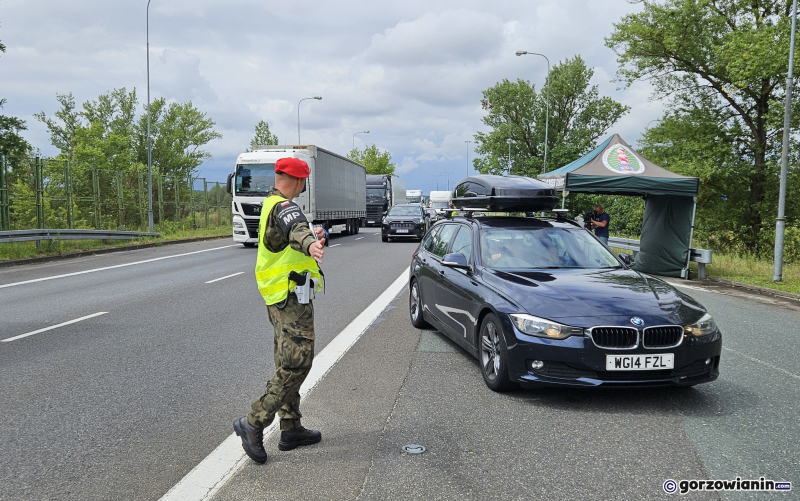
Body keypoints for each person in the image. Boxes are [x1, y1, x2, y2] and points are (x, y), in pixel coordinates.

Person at [233, 157, 326, 465]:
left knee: (287, 359)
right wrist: (310, 242)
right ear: (300, 182)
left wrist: (311, 242)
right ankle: (254, 421)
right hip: (290, 299)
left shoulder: (269, 204)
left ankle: (291, 427)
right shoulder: (286, 206)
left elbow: (291, 236)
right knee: (299, 362)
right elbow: (297, 228)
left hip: (278, 298)